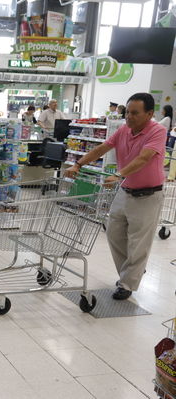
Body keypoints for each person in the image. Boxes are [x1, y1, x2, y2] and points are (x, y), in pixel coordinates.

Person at [64, 92, 166, 300]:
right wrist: (78, 163)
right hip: (125, 190)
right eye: (127, 112)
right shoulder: (123, 130)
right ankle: (133, 271)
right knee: (113, 232)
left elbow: (144, 158)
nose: (129, 116)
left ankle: (127, 284)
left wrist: (119, 175)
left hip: (148, 195)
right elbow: (102, 148)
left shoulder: (157, 131)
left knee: (138, 242)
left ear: (149, 114)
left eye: (135, 113)